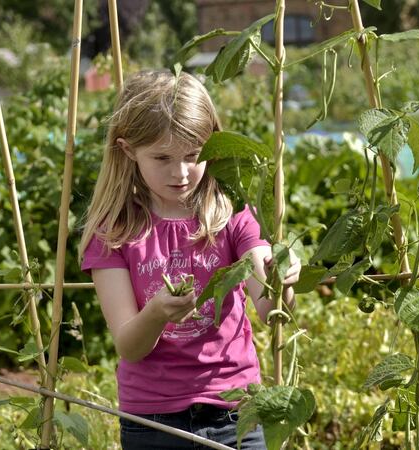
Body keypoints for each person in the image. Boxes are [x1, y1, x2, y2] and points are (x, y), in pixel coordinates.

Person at [78, 70, 300, 449]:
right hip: (153, 420)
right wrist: (157, 313)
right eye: (162, 157)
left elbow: (269, 308)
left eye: (192, 156)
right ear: (128, 150)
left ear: (212, 146)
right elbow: (129, 346)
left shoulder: (232, 215)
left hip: (234, 410)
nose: (179, 173)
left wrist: (282, 275)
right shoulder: (115, 230)